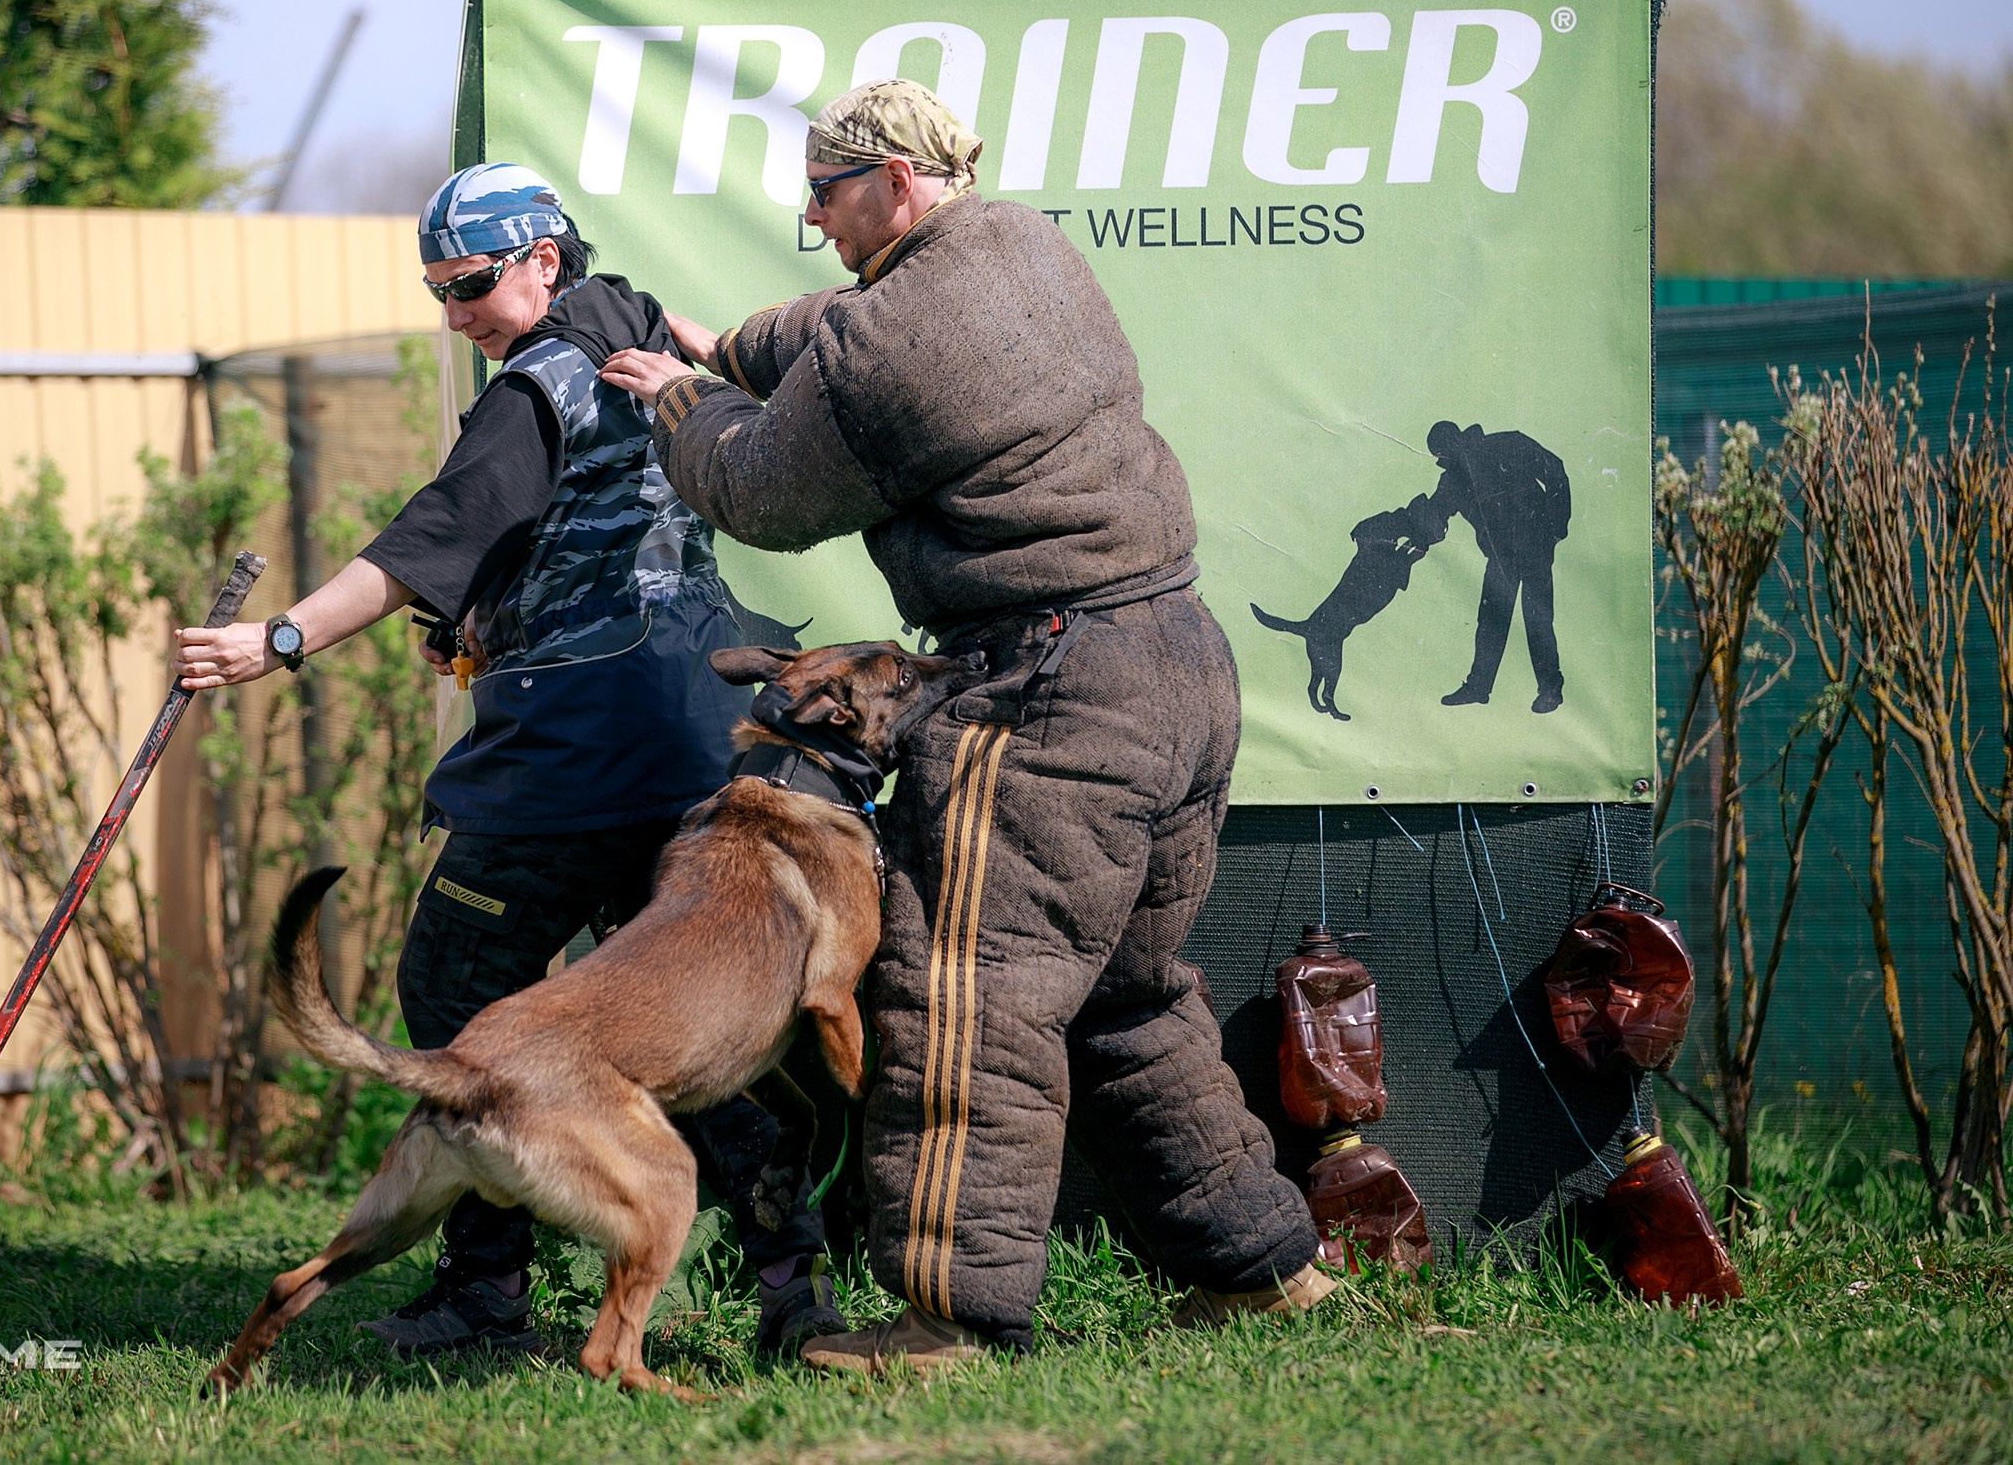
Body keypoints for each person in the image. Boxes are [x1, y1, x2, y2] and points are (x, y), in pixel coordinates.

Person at [600, 81, 1330, 1371]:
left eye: (824, 191)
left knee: (960, 993)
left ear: (888, 178)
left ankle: (947, 1317)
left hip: (1049, 686)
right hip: (1176, 661)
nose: (811, 214)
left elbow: (759, 489)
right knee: (1126, 996)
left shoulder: (892, 350)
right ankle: (1259, 1271)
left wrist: (676, 398)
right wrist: (724, 346)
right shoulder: (1017, 246)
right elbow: (831, 326)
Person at [176, 162, 841, 1360]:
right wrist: (496, 607)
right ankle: (794, 1288)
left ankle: (487, 1285)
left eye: (472, 283)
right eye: (438, 291)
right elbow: (593, 492)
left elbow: (432, 537)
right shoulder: (627, 313)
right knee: (705, 1032)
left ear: (544, 258)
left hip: (572, 768)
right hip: (700, 751)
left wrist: (275, 641)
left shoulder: (530, 390)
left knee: (456, 1002)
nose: (456, 316)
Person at [1424, 420, 1569, 713]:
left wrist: (1557, 525)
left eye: (1445, 452)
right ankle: (1478, 688)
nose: (1445, 459)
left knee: (1537, 620)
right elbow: (1433, 515)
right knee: (1490, 622)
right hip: (1501, 556)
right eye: (1441, 456)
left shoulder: (1507, 444)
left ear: (1458, 440)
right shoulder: (1453, 480)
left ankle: (1550, 691)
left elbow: (1554, 468)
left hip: (1535, 546)